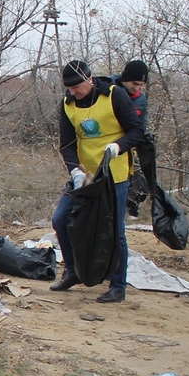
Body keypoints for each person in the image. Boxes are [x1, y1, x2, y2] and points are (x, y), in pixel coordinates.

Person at [50, 59, 146, 302]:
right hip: (86, 174)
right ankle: (73, 272)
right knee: (61, 220)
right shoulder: (68, 104)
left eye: (77, 88)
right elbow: (67, 143)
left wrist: (118, 146)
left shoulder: (115, 96)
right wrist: (75, 172)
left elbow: (137, 131)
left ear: (89, 81)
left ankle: (118, 285)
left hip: (115, 172)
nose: (74, 93)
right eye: (70, 90)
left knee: (114, 229)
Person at [117, 59, 156, 218]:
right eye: (134, 83)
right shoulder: (109, 88)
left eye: (141, 85)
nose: (137, 88)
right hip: (106, 146)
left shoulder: (140, 100)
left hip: (128, 148)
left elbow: (140, 127)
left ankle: (132, 204)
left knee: (138, 179)